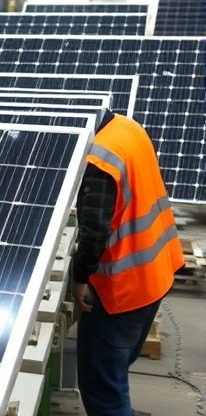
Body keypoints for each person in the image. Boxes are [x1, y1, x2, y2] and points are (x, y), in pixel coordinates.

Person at [73, 109, 184, 416]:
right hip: (156, 271)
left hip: (119, 291)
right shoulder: (126, 127)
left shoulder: (99, 159)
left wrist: (79, 276)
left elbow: (94, 232)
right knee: (118, 367)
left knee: (103, 388)